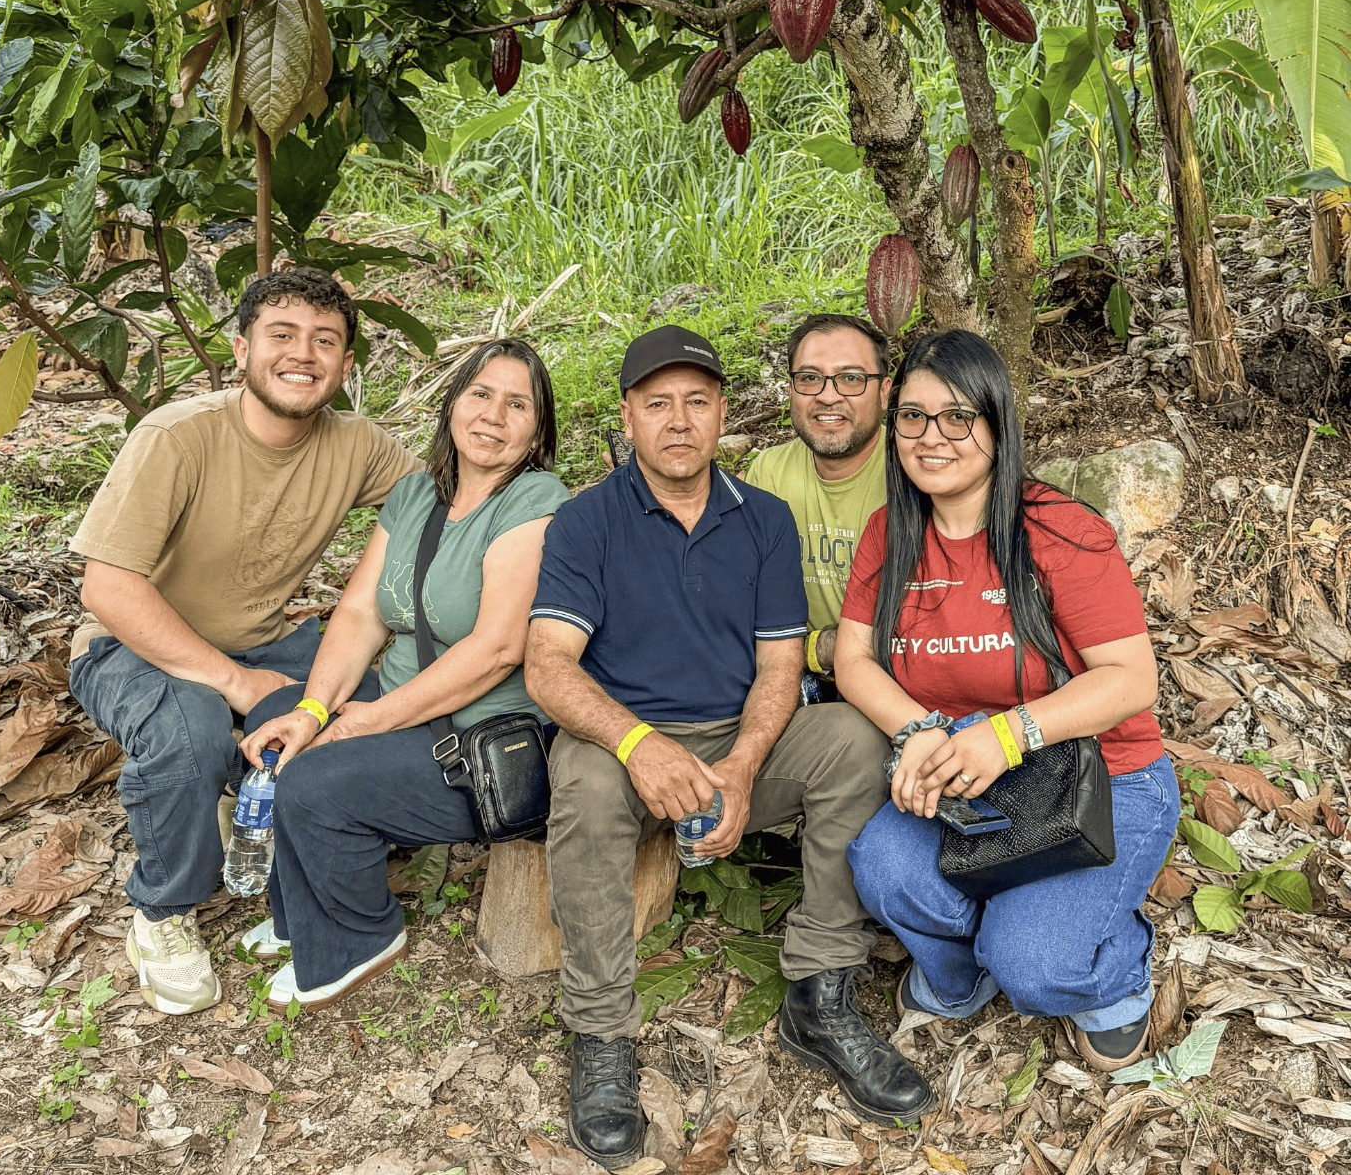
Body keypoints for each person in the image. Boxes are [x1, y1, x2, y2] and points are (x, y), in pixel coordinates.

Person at [525, 324, 933, 1171]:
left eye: (698, 403)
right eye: (658, 404)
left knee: (854, 740)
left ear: (723, 419)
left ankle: (821, 991)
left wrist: (744, 766)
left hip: (734, 733)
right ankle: (601, 1033)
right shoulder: (583, 522)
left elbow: (782, 664)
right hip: (619, 739)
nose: (679, 422)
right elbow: (548, 667)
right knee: (590, 788)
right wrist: (639, 745)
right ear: (628, 417)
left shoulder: (764, 519)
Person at [68, 268, 423, 1016]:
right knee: (193, 731)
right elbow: (105, 589)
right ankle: (162, 910)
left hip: (264, 640)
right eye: (282, 336)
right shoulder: (177, 435)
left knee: (381, 697)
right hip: (128, 645)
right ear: (241, 349)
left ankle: (300, 832)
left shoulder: (357, 445)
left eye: (326, 341)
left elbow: (452, 507)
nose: (304, 354)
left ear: (346, 365)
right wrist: (234, 684)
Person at [836, 328, 1178, 1073]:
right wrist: (920, 730)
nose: (933, 437)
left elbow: (1130, 679)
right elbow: (851, 658)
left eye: (958, 416)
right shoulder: (889, 535)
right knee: (882, 869)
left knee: (1037, 965)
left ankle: (1113, 967)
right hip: (963, 771)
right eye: (914, 418)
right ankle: (965, 969)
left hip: (1097, 778)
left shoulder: (1058, 528)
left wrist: (1009, 734)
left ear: (997, 423)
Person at [237, 339, 568, 1011]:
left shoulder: (535, 500)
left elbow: (498, 649)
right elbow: (360, 613)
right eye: (480, 394)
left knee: (314, 780)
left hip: (481, 736)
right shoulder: (418, 493)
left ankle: (360, 937)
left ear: (537, 430)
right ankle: (298, 912)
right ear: (452, 404)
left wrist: (367, 720)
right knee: (271, 719)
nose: (493, 416)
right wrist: (315, 711)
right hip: (402, 696)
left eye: (517, 404)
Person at [746, 314, 891, 690]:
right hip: (796, 679)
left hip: (898, 682)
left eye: (851, 378)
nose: (828, 395)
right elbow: (741, 606)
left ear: (885, 391)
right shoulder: (769, 473)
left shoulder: (915, 468)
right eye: (810, 378)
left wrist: (821, 649)